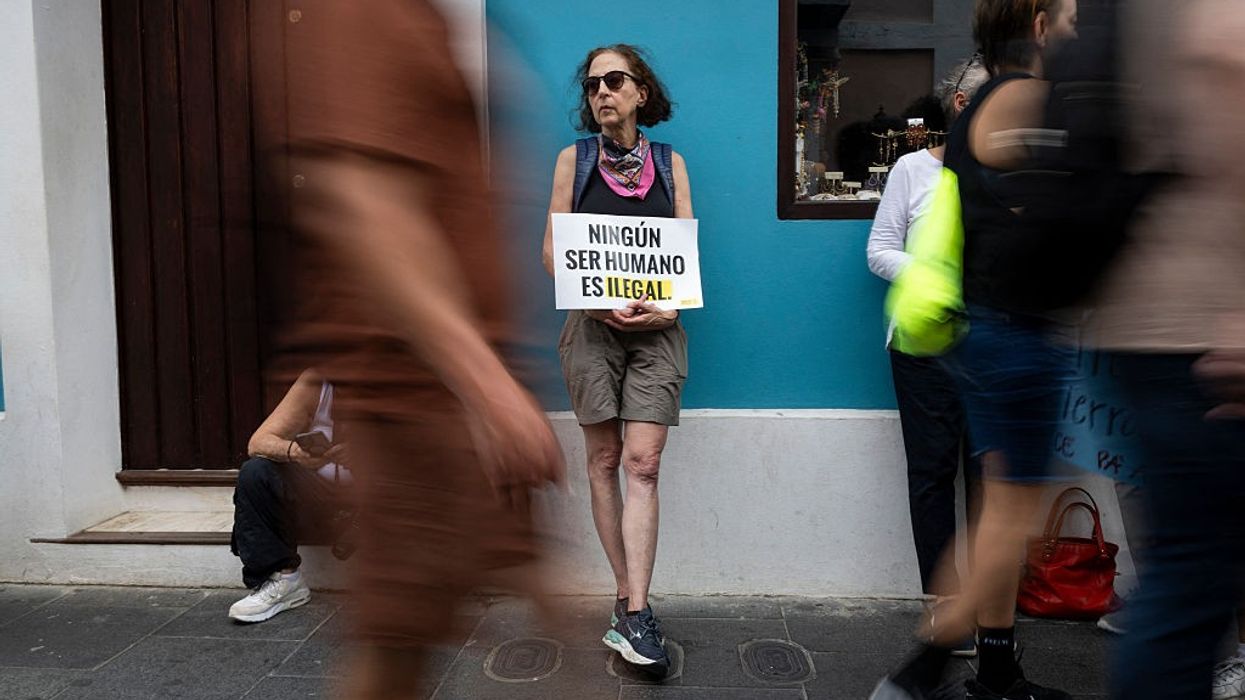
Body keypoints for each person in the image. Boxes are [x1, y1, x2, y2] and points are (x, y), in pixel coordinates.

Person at [264, 2, 565, 697]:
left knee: (517, 620)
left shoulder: (416, 16)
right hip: (413, 397)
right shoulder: (358, 14)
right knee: (397, 650)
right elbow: (359, 201)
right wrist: (487, 387)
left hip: (447, 396)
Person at [872, 1, 1081, 699]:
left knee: (999, 507)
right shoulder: (1016, 101)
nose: (1080, 31)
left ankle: (982, 663)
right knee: (981, 498)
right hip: (989, 331)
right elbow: (885, 250)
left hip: (994, 329)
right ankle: (931, 658)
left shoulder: (1009, 103)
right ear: (1041, 26)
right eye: (1072, 18)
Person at [1085, 1, 1245, 697]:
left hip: (1151, 311)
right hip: (1208, 322)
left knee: (1185, 579)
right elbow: (1226, 62)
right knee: (1190, 584)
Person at [540, 44, 692, 676]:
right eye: (594, 83)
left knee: (644, 463)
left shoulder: (671, 163)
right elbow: (551, 251)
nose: (602, 91)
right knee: (604, 461)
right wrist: (600, 304)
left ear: (640, 94)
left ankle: (636, 608)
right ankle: (630, 608)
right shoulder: (573, 162)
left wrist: (672, 310)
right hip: (593, 330)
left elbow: (684, 252)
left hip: (655, 332)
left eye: (615, 81)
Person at [866, 57, 990, 658]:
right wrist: (937, 276)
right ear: (963, 107)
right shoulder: (912, 170)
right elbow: (880, 251)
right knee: (934, 476)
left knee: (991, 479)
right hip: (923, 347)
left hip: (992, 344)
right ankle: (946, 609)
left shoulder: (1003, 174)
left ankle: (992, 614)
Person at [228, 369, 351, 623]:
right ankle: (284, 581)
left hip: (380, 498)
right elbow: (258, 442)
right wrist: (295, 451)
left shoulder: (401, 382)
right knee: (256, 472)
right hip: (322, 497)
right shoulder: (318, 381)